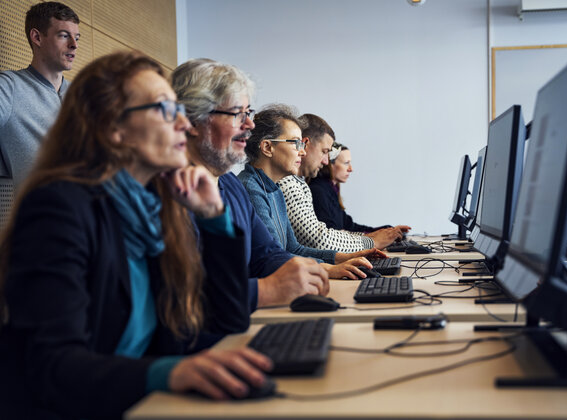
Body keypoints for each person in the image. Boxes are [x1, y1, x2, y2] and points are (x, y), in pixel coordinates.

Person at [0, 52, 272, 420]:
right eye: (165, 110)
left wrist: (213, 218)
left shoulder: (157, 206)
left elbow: (226, 320)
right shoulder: (59, 209)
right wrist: (168, 372)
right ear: (114, 128)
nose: (184, 125)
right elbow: (52, 366)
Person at [171, 58, 330, 309]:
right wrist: (268, 290)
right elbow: (180, 297)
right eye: (237, 114)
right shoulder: (164, 193)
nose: (250, 125)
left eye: (249, 113)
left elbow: (265, 254)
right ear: (192, 120)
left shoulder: (231, 186)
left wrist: (309, 271)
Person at [238, 104, 385, 279]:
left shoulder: (274, 189)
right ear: (268, 147)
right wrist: (327, 269)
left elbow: (294, 249)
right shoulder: (251, 188)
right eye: (296, 143)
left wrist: (341, 258)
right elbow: (272, 257)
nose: (302, 152)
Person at [277, 113, 408, 251]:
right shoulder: (291, 183)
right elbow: (318, 240)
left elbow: (329, 234)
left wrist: (376, 235)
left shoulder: (299, 183)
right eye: (324, 151)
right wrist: (371, 242)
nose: (326, 161)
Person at [0, 1, 80, 187]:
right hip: (46, 212)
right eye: (64, 35)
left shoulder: (81, 95)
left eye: (77, 37)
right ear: (37, 37)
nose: (74, 45)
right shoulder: (9, 86)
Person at [310, 141, 411, 234]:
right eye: (346, 163)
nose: (351, 169)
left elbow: (350, 226)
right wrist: (377, 236)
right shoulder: (318, 191)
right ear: (329, 164)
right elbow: (333, 233)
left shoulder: (331, 190)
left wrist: (387, 230)